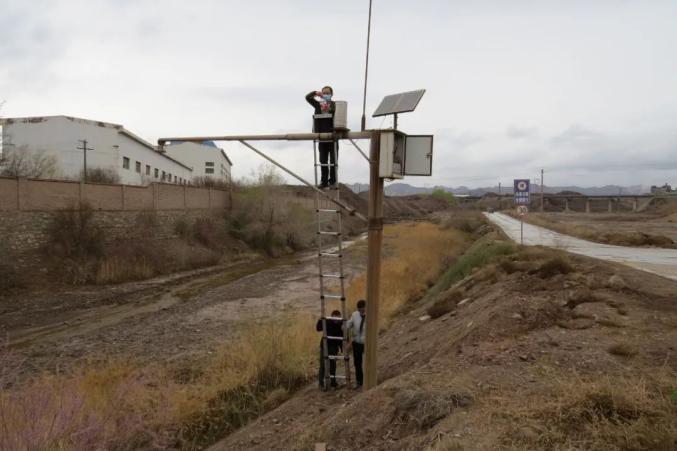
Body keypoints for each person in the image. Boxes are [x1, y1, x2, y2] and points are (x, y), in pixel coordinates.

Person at [305, 86, 338, 189]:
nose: (325, 95)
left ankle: (332, 181)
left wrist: (329, 107)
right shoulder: (318, 104)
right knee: (323, 161)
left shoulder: (334, 105)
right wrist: (315, 92)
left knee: (333, 161)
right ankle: (324, 182)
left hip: (332, 137)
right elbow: (307, 97)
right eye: (324, 93)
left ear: (332, 94)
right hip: (321, 137)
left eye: (327, 93)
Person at [316, 309, 344, 389]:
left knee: (333, 365)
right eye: (335, 318)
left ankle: (333, 382)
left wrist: (342, 349)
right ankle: (321, 384)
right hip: (324, 346)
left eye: (338, 318)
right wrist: (319, 320)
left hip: (334, 347)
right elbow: (318, 328)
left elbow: (341, 337)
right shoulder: (327, 321)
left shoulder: (341, 324)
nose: (336, 320)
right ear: (332, 317)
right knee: (323, 365)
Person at [347, 299, 366, 389]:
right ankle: (359, 382)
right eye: (360, 310)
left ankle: (369, 380)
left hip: (367, 343)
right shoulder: (355, 315)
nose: (361, 312)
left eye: (363, 310)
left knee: (367, 362)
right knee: (357, 363)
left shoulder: (371, 314)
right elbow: (349, 324)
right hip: (357, 343)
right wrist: (344, 325)